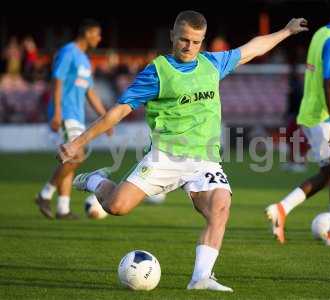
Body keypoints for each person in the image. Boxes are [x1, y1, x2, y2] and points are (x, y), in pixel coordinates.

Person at [58, 11, 307, 291]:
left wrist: (286, 32)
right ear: (173, 37)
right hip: (165, 156)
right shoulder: (158, 71)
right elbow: (117, 112)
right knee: (117, 206)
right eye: (184, 40)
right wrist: (77, 143)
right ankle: (95, 180)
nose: (190, 47)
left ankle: (200, 278)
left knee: (221, 206)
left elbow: (252, 48)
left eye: (197, 41)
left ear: (203, 41)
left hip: (205, 160)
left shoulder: (213, 63)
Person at [266, 0, 330, 246]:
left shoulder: (321, 34)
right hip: (325, 117)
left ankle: (282, 208)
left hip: (310, 115)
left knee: (329, 172)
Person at [35, 19, 112, 220]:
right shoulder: (68, 52)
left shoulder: (85, 60)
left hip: (77, 116)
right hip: (66, 113)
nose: (99, 38)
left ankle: (63, 208)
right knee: (77, 154)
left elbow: (89, 91)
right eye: (97, 33)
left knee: (71, 158)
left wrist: (106, 117)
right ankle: (44, 194)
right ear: (87, 33)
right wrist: (58, 111)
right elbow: (57, 80)